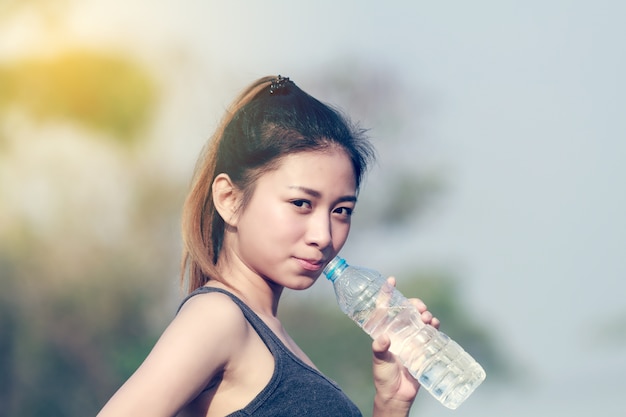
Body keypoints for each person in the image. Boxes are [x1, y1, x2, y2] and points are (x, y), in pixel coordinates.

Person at [97, 75, 440, 417]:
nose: (323, 235)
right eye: (301, 203)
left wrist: (391, 403)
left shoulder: (272, 337)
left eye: (341, 211)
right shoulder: (218, 318)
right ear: (229, 199)